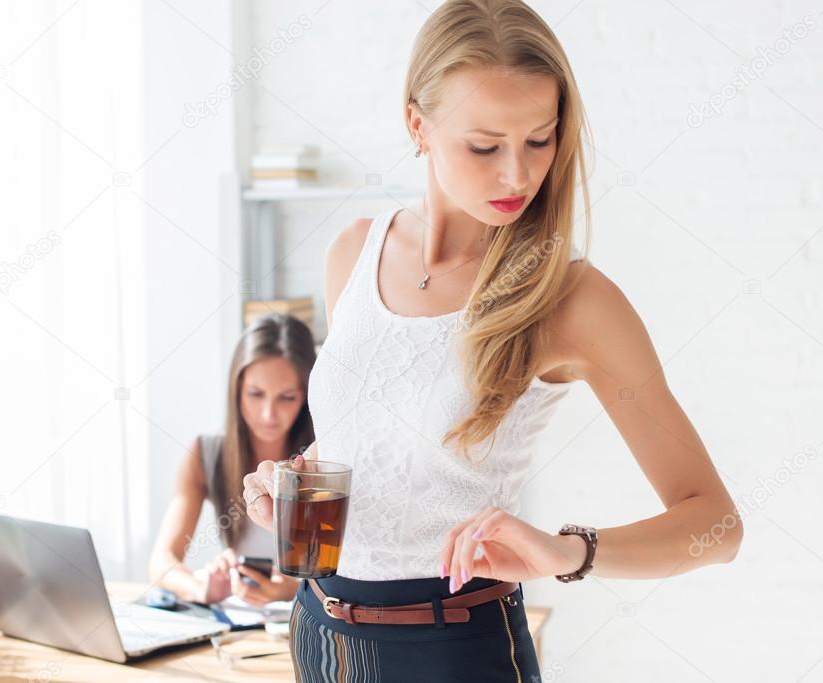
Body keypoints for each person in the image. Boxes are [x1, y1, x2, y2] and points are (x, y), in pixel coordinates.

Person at [243, 1, 743, 678]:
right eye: (484, 146)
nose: (517, 174)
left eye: (539, 140)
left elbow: (714, 525)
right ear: (415, 123)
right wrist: (287, 480)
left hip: (452, 648)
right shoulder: (353, 253)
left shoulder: (570, 300)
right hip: (317, 628)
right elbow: (373, 442)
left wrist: (569, 551)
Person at [149, 314, 316, 606]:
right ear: (236, 390)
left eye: (287, 397)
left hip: (310, 615)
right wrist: (202, 590)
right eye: (255, 394)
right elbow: (161, 564)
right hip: (244, 622)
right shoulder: (206, 454)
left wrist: (291, 589)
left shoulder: (324, 458)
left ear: (306, 397)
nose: (268, 414)